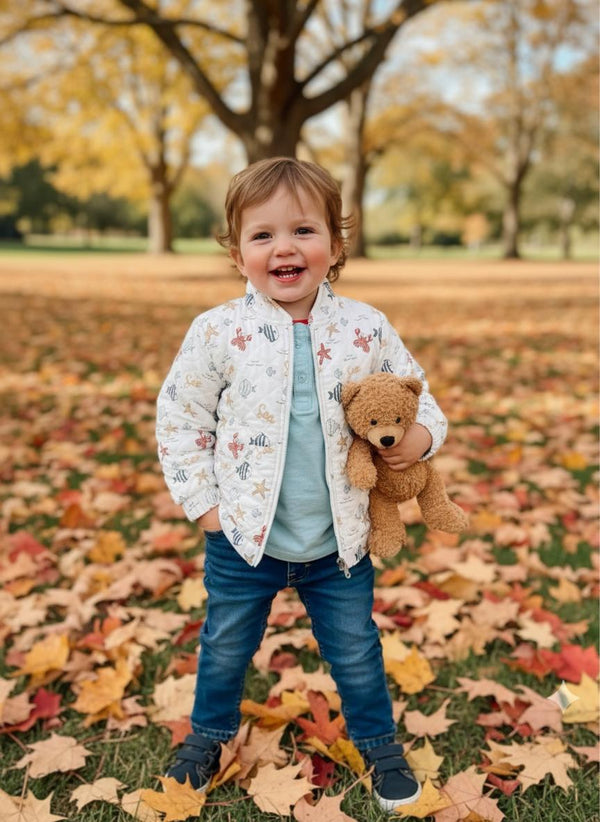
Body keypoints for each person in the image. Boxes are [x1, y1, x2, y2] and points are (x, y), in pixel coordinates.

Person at [156, 157, 448, 812]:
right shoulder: (217, 333)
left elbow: (420, 400)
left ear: (336, 245)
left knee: (356, 648)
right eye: (262, 236)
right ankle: (206, 736)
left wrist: (421, 441)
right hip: (243, 540)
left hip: (336, 544)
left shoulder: (365, 328)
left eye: (303, 231)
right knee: (226, 643)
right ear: (238, 254)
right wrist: (204, 507)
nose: (284, 247)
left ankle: (378, 742)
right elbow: (179, 418)